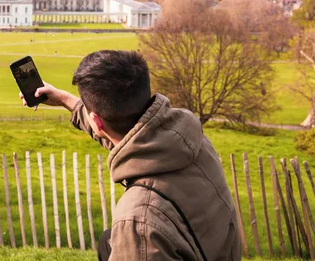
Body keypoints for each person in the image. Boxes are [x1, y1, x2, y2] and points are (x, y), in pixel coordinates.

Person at [20, 50, 241, 260]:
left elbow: (116, 132)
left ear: (96, 121)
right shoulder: (192, 140)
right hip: (217, 251)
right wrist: (65, 100)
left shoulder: (138, 221)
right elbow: (127, 135)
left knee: (112, 239)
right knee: (108, 241)